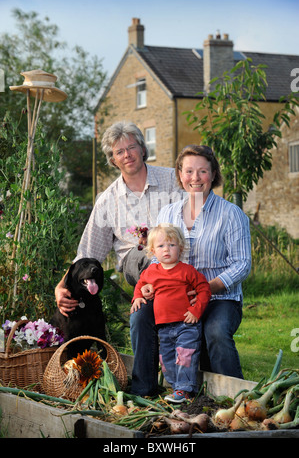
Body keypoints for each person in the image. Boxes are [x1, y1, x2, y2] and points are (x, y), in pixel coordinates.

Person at [54, 121, 182, 394]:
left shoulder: (173, 180)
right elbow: (87, 255)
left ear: (142, 148)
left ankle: (158, 383)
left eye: (131, 147)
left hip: (178, 265)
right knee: (148, 257)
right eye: (119, 151)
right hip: (137, 266)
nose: (127, 154)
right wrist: (61, 285)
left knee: (147, 312)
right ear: (112, 159)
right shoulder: (108, 200)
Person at [140, 144, 251, 381]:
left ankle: (235, 396)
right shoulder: (167, 214)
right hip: (172, 297)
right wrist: (147, 286)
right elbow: (154, 258)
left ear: (213, 174)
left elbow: (242, 264)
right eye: (189, 171)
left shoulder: (231, 214)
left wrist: (206, 289)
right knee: (140, 316)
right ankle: (146, 385)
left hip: (220, 299)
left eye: (203, 171)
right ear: (180, 175)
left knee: (216, 332)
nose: (195, 178)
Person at [131, 224, 211, 403]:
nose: (166, 249)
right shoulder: (151, 271)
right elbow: (140, 284)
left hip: (186, 324)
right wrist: (137, 297)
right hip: (164, 327)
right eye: (161, 246)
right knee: (166, 360)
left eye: (171, 245)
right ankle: (178, 389)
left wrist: (196, 310)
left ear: (180, 248)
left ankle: (185, 389)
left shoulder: (187, 271)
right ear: (152, 251)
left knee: (184, 356)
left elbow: (204, 289)